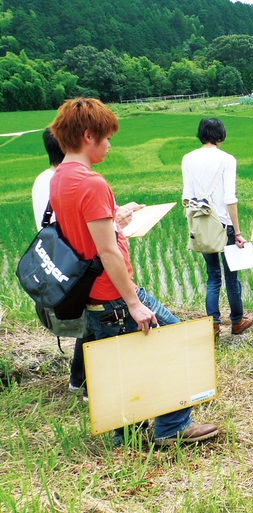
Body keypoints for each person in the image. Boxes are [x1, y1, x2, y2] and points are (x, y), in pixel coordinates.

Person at [49, 98, 218, 447]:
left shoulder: (60, 177)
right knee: (177, 341)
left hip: (90, 296)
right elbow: (107, 251)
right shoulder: (91, 183)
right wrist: (133, 302)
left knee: (121, 363)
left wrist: (115, 217)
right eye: (107, 137)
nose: (110, 144)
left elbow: (85, 234)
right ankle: (172, 426)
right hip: (114, 294)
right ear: (88, 135)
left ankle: (124, 434)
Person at [32, 129, 141, 401]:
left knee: (90, 326)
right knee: (97, 326)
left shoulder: (47, 179)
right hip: (85, 271)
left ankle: (79, 381)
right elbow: (83, 233)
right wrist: (115, 221)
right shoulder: (77, 181)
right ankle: (94, 390)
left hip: (64, 268)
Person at [181, 118, 253, 338]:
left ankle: (213, 325)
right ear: (220, 136)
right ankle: (237, 321)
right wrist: (237, 232)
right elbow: (230, 199)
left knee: (212, 277)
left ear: (201, 134)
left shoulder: (187, 159)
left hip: (201, 225)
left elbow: (187, 197)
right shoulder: (227, 159)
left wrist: (193, 225)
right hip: (224, 225)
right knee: (231, 278)